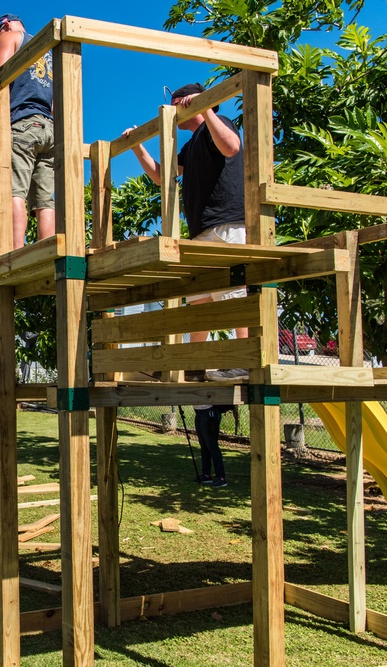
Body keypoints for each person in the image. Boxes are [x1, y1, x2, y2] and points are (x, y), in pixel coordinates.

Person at [123, 82, 249, 382]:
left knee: (234, 294)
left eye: (176, 103)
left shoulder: (219, 125)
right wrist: (138, 146)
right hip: (202, 230)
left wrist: (205, 108)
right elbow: (160, 175)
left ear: (187, 102)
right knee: (199, 299)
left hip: (227, 225)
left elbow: (232, 147)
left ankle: (245, 360)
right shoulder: (192, 145)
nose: (173, 110)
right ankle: (195, 365)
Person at [0, 13, 55, 249]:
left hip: (23, 123)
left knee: (14, 191)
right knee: (45, 199)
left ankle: (14, 252)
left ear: (3, 27)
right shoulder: (46, 50)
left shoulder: (11, 35)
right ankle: (47, 251)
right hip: (49, 127)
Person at [194, 405, 229, 487]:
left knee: (212, 445)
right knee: (203, 444)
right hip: (199, 412)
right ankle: (206, 475)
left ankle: (221, 477)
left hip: (209, 411)